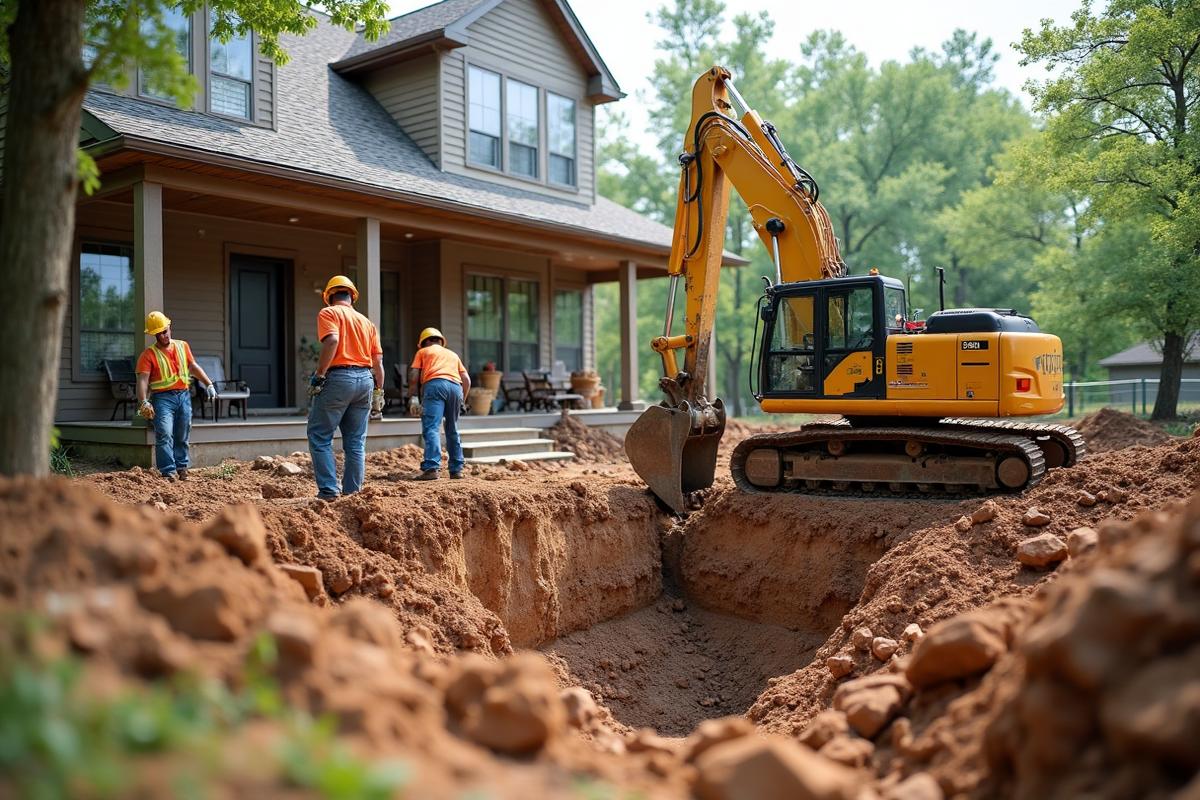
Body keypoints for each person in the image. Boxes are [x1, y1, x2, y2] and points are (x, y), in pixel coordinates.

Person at [307, 275, 385, 501]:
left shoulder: (329, 313)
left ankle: (329, 491)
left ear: (329, 296)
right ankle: (352, 492)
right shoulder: (367, 323)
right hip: (365, 380)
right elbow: (378, 363)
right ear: (352, 296)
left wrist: (320, 375)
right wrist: (379, 390)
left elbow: (331, 340)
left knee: (319, 435)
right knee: (355, 440)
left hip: (339, 378)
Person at [135, 311, 217, 481]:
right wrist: (143, 401)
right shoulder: (148, 355)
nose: (163, 336)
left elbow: (193, 367)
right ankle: (168, 471)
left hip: (183, 396)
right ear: (154, 334)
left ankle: (182, 468)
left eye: (165, 331)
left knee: (183, 432)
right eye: (158, 334)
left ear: (169, 328)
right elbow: (142, 380)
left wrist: (208, 383)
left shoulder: (182, 346)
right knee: (164, 433)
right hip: (162, 399)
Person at [408, 327, 471, 480]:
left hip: (435, 385)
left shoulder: (423, 352)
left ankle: (431, 468)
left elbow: (414, 375)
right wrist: (462, 401)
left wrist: (413, 396)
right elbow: (467, 380)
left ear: (426, 341)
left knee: (432, 427)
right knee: (452, 428)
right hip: (456, 388)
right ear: (440, 341)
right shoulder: (453, 354)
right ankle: (457, 470)